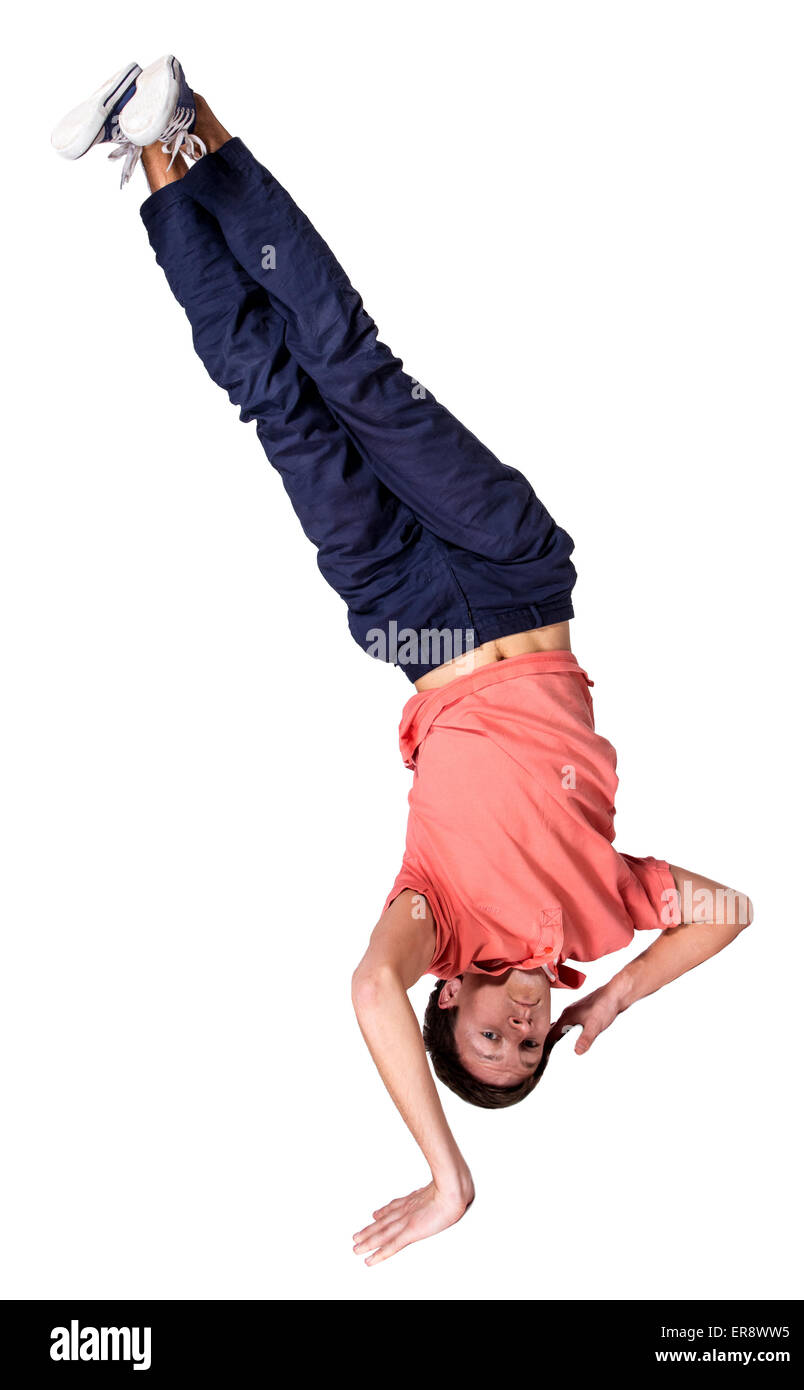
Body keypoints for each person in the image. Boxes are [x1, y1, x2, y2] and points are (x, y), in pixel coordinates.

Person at [52, 57, 754, 1266]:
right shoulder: (607, 914)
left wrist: (447, 1177)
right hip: (518, 582)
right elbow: (734, 912)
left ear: (452, 1008)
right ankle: (198, 129)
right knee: (351, 368)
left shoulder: (427, 929)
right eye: (532, 1049)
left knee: (272, 398)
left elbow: (366, 994)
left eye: (494, 1044)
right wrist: (616, 993)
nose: (522, 1031)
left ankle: (158, 174)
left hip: (416, 633)